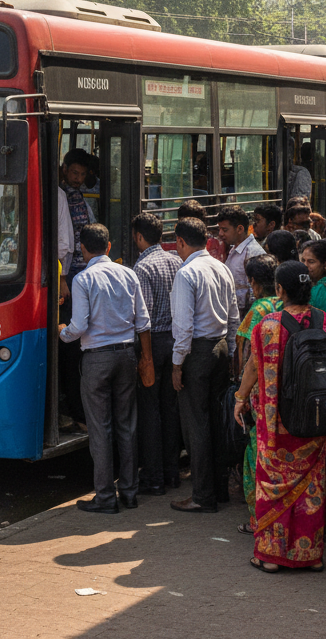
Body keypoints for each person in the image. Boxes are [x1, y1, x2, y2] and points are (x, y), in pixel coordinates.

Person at [233, 261, 326, 572]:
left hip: (277, 423)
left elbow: (252, 367)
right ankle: (310, 556)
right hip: (314, 420)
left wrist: (239, 399)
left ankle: (270, 556)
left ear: (280, 290)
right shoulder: (324, 321)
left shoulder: (269, 325)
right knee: (311, 485)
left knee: (272, 484)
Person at [59, 224, 155, 514]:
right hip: (127, 354)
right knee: (127, 425)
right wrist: (145, 358)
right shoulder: (128, 273)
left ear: (83, 250)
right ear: (109, 247)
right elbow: (144, 322)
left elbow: (79, 327)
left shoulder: (82, 279)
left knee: (100, 429)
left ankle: (105, 497)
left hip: (97, 359)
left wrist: (61, 331)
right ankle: (129, 492)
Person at [170, 218, 240, 513]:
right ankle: (219, 489)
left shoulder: (187, 273)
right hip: (221, 348)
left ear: (182, 242)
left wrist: (176, 364)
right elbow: (234, 314)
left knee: (196, 425)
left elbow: (184, 327)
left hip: (197, 352)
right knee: (215, 420)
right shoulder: (221, 267)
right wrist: (232, 350)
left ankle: (202, 495)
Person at [132, 212, 184, 496]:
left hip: (153, 343)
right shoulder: (177, 260)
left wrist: (145, 356)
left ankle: (153, 478)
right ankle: (172, 473)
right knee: (170, 408)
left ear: (139, 237)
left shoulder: (143, 267)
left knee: (150, 412)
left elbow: (144, 318)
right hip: (175, 342)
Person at [235, 254, 281, 531]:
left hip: (259, 394)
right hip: (283, 392)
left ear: (253, 282)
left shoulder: (258, 309)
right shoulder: (286, 304)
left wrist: (240, 392)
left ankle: (258, 519)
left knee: (255, 455)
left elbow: (248, 355)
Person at [59, 148, 98, 430]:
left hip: (80, 275)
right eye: (74, 173)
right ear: (64, 169)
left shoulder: (79, 197)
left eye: (82, 175)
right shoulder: (60, 195)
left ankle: (79, 411)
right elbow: (64, 242)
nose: (77, 178)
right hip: (69, 275)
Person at [218, 205, 267, 318]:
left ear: (240, 229)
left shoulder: (253, 253)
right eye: (219, 229)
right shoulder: (234, 249)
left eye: (225, 230)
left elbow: (256, 294)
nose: (220, 234)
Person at [301, 239, 326, 311]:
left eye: (311, 262)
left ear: (325, 264)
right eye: (303, 260)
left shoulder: (320, 290)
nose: (305, 265)